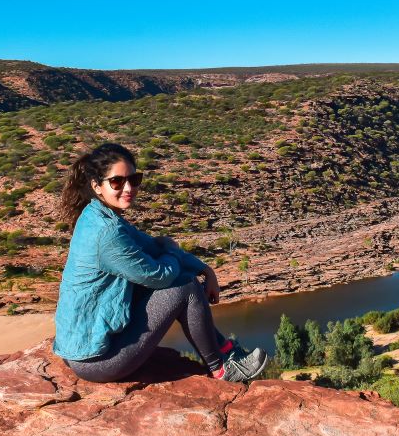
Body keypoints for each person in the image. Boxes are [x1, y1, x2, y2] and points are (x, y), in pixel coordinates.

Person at [53, 142, 267, 383]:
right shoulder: (107, 233)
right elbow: (160, 275)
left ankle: (225, 350)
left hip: (83, 346)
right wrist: (174, 253)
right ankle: (222, 369)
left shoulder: (98, 216)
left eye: (134, 179)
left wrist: (205, 270)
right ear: (97, 186)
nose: (128, 188)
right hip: (97, 361)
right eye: (117, 182)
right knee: (183, 286)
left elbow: (154, 247)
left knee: (180, 278)